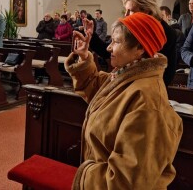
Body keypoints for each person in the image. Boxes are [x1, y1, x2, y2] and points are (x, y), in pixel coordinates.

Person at [65, 13, 182, 188]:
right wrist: (84, 57)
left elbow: (127, 181)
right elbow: (100, 91)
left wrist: (84, 175)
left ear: (140, 48)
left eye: (117, 42)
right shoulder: (126, 77)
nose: (109, 48)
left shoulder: (147, 101)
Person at [122, 0, 178, 86]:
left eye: (130, 11)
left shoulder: (166, 32)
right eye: (125, 10)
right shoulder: (132, 27)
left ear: (146, 10)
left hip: (151, 87)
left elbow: (167, 71)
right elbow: (111, 51)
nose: (126, 15)